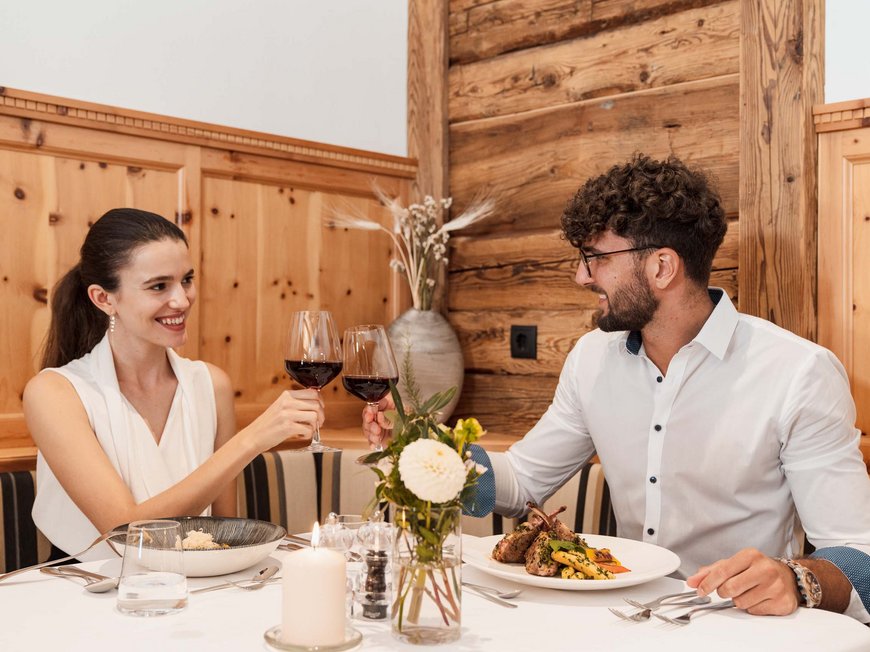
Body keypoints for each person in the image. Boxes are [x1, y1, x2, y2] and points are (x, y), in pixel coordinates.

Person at [365, 154, 870, 622]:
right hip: (621, 620)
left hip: (736, 627)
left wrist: (796, 580)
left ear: (662, 267)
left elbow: (860, 555)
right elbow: (521, 481)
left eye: (596, 258)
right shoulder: (591, 359)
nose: (580, 275)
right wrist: (416, 444)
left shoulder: (798, 372)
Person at [24, 208, 323, 560]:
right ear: (104, 299)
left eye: (187, 280)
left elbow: (226, 532)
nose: (181, 300)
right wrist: (253, 439)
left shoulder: (210, 384)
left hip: (195, 591)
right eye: (158, 286)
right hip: (89, 594)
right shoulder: (55, 393)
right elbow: (126, 531)